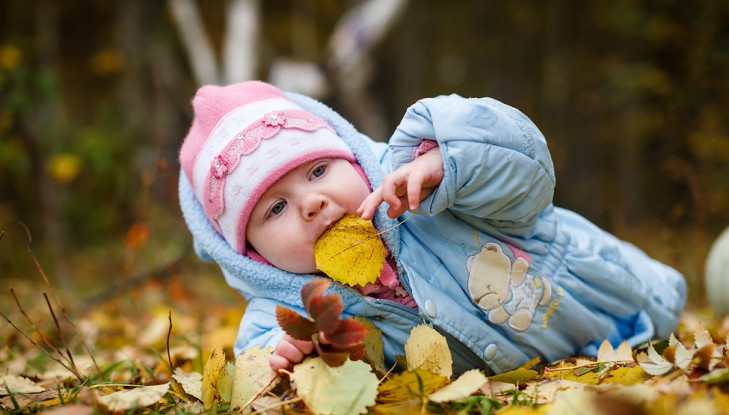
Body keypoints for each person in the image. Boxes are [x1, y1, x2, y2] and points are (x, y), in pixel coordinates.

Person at [178, 80, 686, 375]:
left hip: (625, 297)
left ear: (355, 161)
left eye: (317, 171)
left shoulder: (422, 196)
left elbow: (528, 174)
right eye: (275, 209)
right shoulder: (288, 311)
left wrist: (451, 163)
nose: (312, 203)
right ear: (250, 253)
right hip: (579, 362)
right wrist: (289, 359)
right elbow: (259, 361)